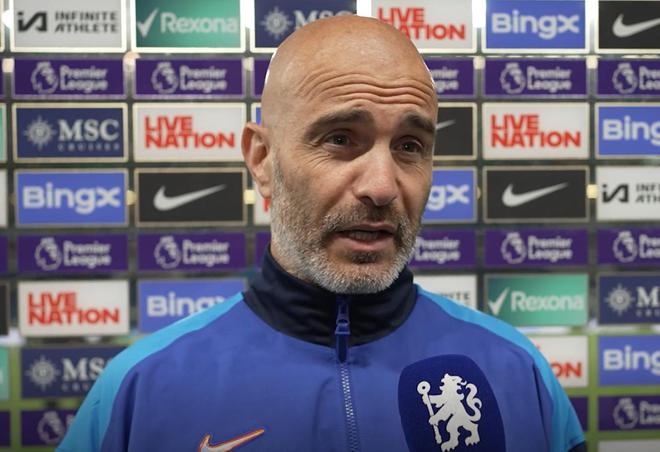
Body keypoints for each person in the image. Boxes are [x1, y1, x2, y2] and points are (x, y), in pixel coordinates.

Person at [58, 16, 585, 452]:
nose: (382, 187)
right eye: (340, 139)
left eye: (409, 146)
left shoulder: (517, 371)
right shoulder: (140, 389)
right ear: (262, 159)